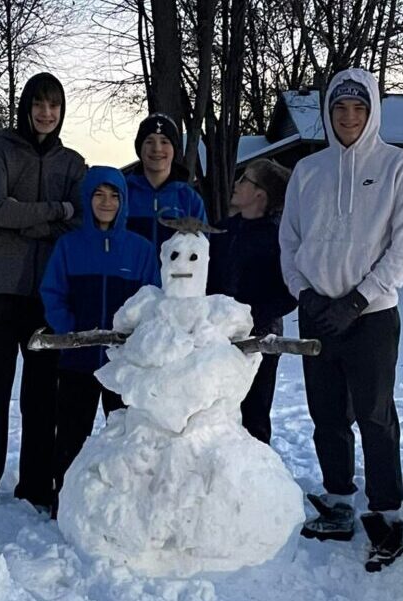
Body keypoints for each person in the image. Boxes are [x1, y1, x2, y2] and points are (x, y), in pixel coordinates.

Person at [279, 68, 403, 572]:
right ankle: (339, 500)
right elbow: (289, 241)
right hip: (318, 312)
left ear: (372, 112)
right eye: (340, 108)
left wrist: (359, 300)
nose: (348, 117)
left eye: (358, 108)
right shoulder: (309, 171)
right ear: (328, 112)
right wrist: (305, 295)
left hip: (371, 316)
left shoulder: (399, 167)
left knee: (375, 414)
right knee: (326, 415)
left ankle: (386, 512)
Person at [0, 73, 86, 522]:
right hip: (1, 289)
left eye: (53, 105)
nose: (46, 113)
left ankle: (36, 483)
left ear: (61, 110)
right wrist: (52, 212)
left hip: (48, 294)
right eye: (38, 104)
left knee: (41, 396)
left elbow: (80, 219)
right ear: (26, 107)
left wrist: (28, 222)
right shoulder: (0, 149)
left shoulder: (73, 163)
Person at [40, 166, 160, 506]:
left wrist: (136, 341)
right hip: (78, 361)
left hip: (123, 365)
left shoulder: (140, 250)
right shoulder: (69, 246)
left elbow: (152, 300)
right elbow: (53, 293)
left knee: (122, 432)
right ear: (87, 199)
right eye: (98, 195)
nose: (106, 202)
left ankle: (120, 501)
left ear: (123, 202)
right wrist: (70, 330)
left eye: (114, 196)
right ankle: (65, 498)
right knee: (71, 433)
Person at [207, 159, 296, 444]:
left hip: (261, 341)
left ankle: (254, 483)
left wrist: (250, 318)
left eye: (244, 179)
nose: (236, 183)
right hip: (217, 339)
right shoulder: (221, 232)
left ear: (261, 193)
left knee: (254, 417)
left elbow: (290, 292)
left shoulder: (281, 238)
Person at [126, 113, 208, 255]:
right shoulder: (123, 194)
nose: (157, 149)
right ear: (140, 148)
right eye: (149, 141)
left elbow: (200, 253)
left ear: (174, 148)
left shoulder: (190, 200)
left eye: (164, 141)